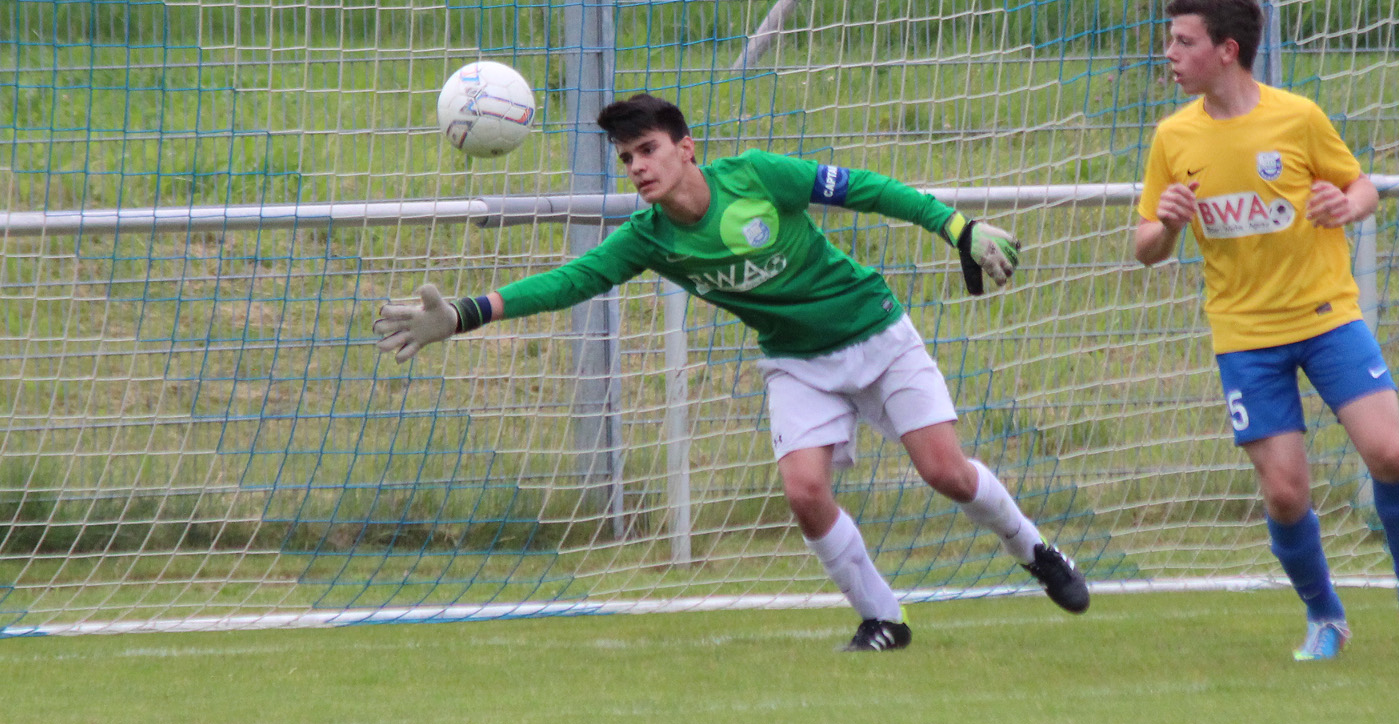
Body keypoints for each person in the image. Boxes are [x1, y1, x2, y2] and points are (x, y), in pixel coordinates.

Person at [374, 92, 1089, 650]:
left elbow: (868, 189)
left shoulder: (757, 177)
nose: (638, 167)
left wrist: (957, 227)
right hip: (797, 363)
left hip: (876, 332)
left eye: (648, 149)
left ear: (686, 149)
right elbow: (572, 280)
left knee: (947, 474)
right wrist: (465, 314)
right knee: (804, 492)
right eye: (626, 159)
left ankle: (1034, 549)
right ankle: (883, 620)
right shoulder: (648, 239)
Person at [1132, 0, 1399, 661]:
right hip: (1245, 335)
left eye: (1183, 41)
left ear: (1227, 51)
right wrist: (1167, 225)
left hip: (1326, 318)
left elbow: (1361, 185)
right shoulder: (1173, 137)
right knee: (1287, 493)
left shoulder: (1297, 119)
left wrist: (1348, 207)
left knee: (1391, 454)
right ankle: (1326, 617)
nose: (1168, 52)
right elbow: (1144, 246)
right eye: (1170, 40)